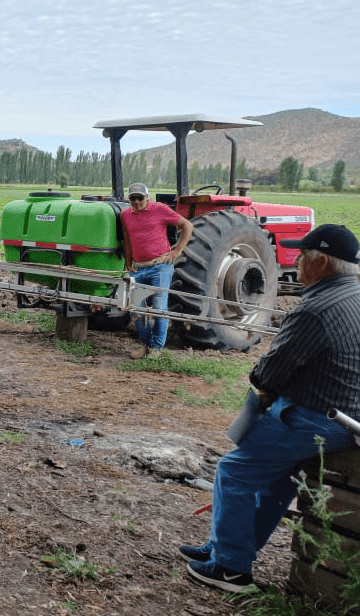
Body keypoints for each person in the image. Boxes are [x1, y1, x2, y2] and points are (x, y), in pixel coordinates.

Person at [181, 224, 360, 593]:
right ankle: (223, 549)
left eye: (302, 256)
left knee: (234, 473)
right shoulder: (354, 293)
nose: (295, 262)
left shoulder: (314, 309)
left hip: (316, 418)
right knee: (277, 479)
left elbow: (269, 372)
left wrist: (261, 388)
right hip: (348, 416)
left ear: (322, 261)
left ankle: (231, 569)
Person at [120, 182, 193, 359]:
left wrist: (177, 250)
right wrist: (128, 263)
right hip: (138, 268)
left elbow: (187, 225)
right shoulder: (125, 215)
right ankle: (145, 345)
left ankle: (156, 349)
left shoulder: (160, 209)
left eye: (140, 198)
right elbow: (127, 239)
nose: (136, 202)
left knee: (159, 308)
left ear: (147, 197)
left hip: (160, 267)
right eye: (133, 198)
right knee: (137, 310)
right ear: (129, 199)